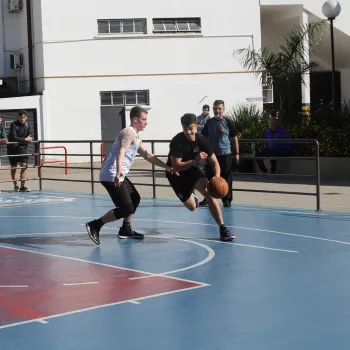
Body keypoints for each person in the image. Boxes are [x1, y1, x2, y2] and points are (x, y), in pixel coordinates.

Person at [85, 106, 178, 245]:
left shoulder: (135, 135)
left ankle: (125, 229)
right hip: (111, 175)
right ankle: (95, 225)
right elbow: (121, 151)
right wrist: (118, 172)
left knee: (135, 198)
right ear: (135, 119)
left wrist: (167, 167)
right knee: (126, 208)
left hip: (117, 174)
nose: (146, 122)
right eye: (144, 119)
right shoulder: (128, 133)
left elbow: (148, 155)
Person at [165, 113, 235, 241]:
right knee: (192, 207)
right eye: (185, 129)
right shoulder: (177, 142)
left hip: (192, 170)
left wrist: (217, 177)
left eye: (191, 128)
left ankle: (223, 228)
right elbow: (176, 166)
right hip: (176, 174)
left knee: (209, 194)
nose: (188, 132)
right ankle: (192, 196)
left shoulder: (202, 140)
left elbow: (214, 162)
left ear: (196, 126)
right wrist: (195, 160)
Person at [200, 100, 239, 208]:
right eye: (215, 108)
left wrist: (236, 153)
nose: (217, 110)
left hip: (225, 154)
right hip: (212, 155)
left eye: (219, 108)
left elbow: (235, 137)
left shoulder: (228, 122)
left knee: (226, 178)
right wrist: (203, 152)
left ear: (223, 109)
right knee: (208, 177)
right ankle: (208, 198)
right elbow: (203, 138)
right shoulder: (209, 122)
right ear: (213, 109)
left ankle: (227, 200)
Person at [7, 110, 32, 192]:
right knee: (14, 168)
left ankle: (22, 186)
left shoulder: (28, 125)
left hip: (22, 149)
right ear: (18, 117)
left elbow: (29, 137)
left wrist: (25, 140)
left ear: (26, 118)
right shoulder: (14, 124)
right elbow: (14, 138)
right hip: (12, 149)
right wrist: (25, 139)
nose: (22, 119)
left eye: (23, 117)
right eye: (21, 117)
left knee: (24, 165)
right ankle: (15, 185)